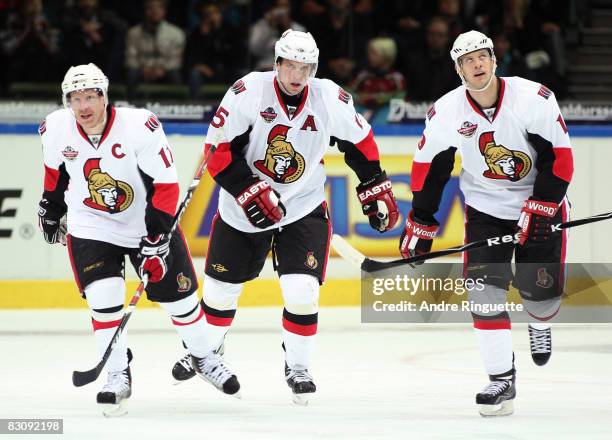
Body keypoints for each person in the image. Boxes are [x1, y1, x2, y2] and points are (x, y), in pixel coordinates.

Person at [171, 29, 399, 405]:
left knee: (302, 292)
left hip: (302, 206)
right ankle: (207, 352)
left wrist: (374, 182)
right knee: (219, 293)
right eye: (290, 65)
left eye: (305, 67)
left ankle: (298, 367)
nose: (297, 75)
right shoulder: (248, 91)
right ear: (276, 63)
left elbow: (360, 142)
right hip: (243, 210)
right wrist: (247, 189)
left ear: (314, 68)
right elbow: (218, 151)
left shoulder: (330, 98)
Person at [37, 63, 240, 417]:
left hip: (144, 222)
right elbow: (55, 174)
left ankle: (204, 356)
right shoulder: (55, 128)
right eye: (75, 98)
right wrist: (50, 207)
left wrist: (157, 237)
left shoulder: (139, 127)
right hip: (91, 225)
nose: (83, 106)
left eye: (89, 96)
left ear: (104, 96)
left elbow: (165, 185)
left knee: (181, 302)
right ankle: (116, 372)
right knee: (103, 300)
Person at [399, 30, 573, 416]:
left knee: (541, 299)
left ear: (494, 60)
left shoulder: (533, 98)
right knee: (483, 294)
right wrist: (422, 221)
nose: (477, 64)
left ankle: (539, 322)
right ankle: (501, 380)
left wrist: (542, 205)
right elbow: (430, 167)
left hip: (540, 203)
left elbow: (559, 159)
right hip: (485, 211)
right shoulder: (447, 111)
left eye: (482, 57)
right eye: (467, 60)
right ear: (458, 69)